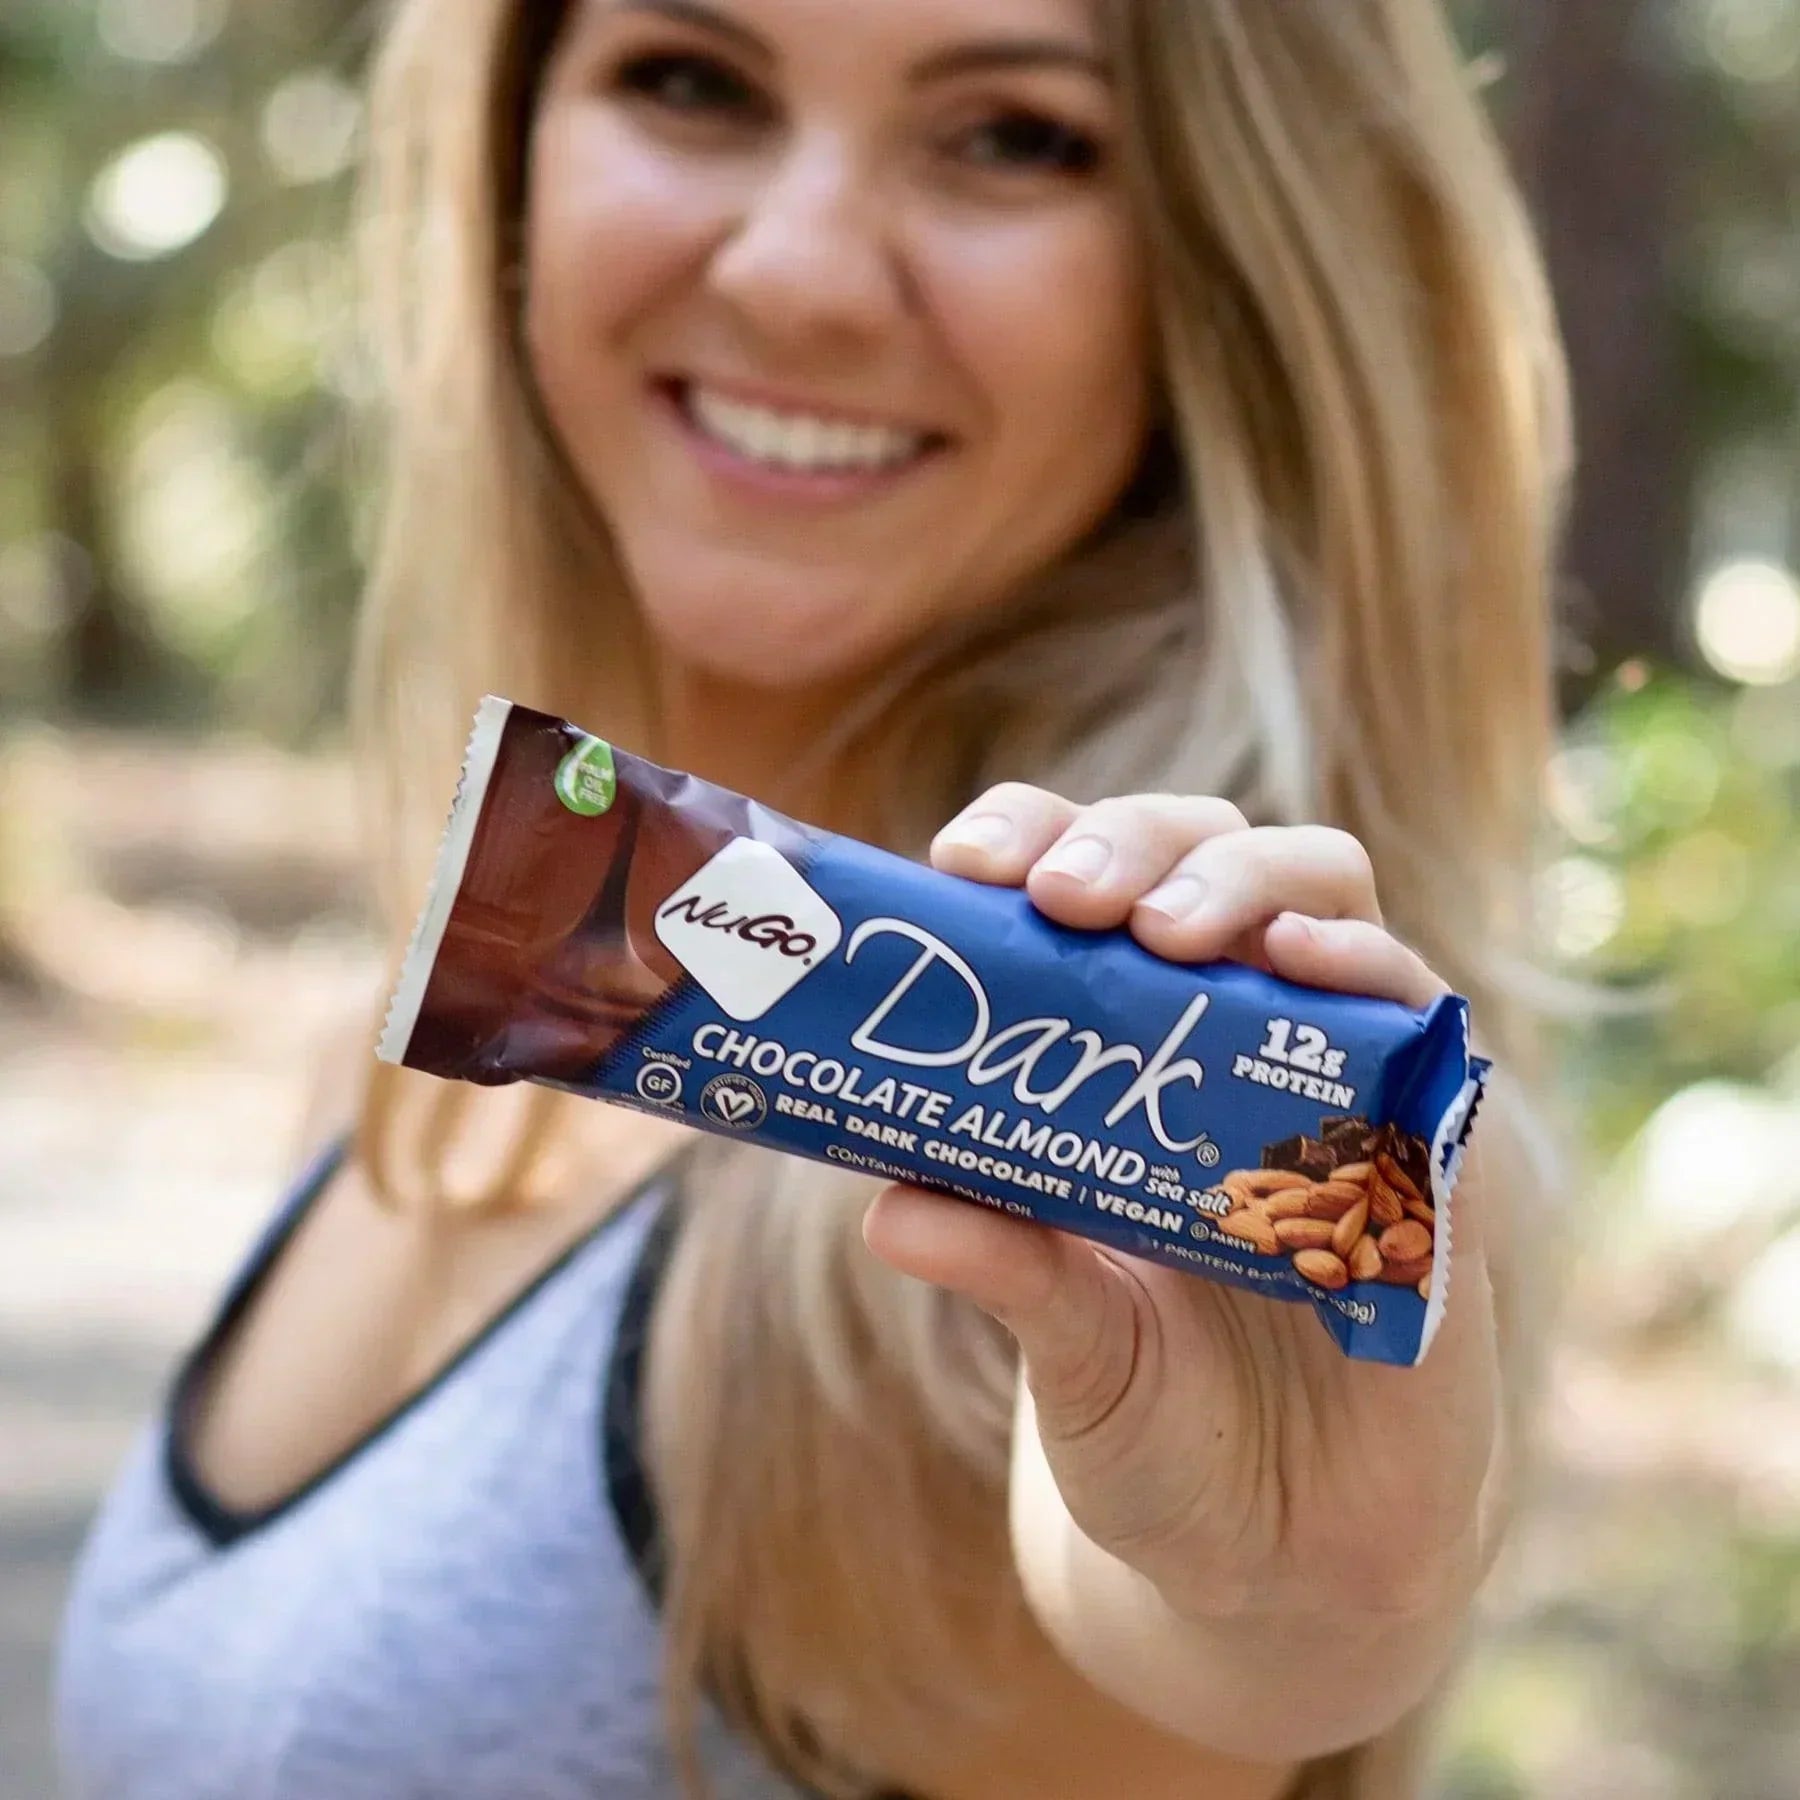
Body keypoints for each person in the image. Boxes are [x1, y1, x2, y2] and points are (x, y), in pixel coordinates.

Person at [56, 0, 1572, 1795]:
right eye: (689, 80)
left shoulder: (1161, 1154)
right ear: (513, 151)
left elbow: (1216, 1627)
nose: (796, 275)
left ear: (1233, 275)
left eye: (1016, 134)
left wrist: (1305, 1602)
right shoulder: (491, 991)